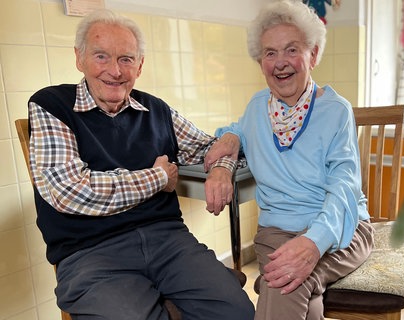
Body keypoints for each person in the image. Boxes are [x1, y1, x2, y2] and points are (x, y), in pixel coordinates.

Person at [27, 9, 254, 320]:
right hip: (91, 254)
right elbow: (70, 191)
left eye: (126, 59)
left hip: (168, 241)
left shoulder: (156, 110)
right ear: (79, 58)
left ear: (140, 65)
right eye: (101, 56)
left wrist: (220, 167)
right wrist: (158, 178)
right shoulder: (51, 105)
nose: (115, 71)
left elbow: (216, 148)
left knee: (236, 311)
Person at [209, 1, 374, 319]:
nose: (280, 62)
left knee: (281, 282)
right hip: (277, 231)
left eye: (291, 50)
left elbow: (345, 186)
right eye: (270, 53)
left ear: (313, 55)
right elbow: (234, 132)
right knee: (288, 282)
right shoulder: (257, 108)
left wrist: (314, 242)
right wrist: (226, 150)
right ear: (260, 61)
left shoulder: (336, 111)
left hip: (341, 227)